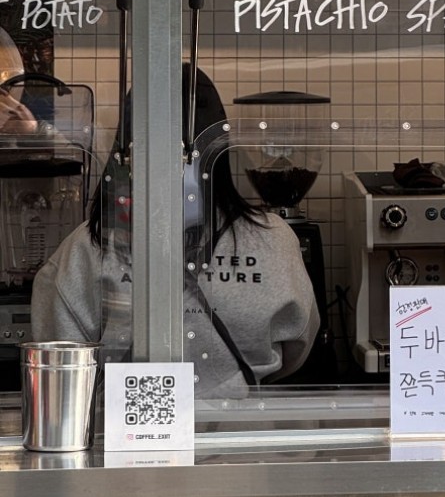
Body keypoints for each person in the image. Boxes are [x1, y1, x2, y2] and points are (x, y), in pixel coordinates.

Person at [31, 65, 319, 398]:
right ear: (220, 147)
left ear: (125, 153)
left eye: (184, 155)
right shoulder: (273, 239)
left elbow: (63, 367)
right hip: (243, 434)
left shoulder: (87, 247)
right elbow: (297, 346)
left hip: (125, 436)